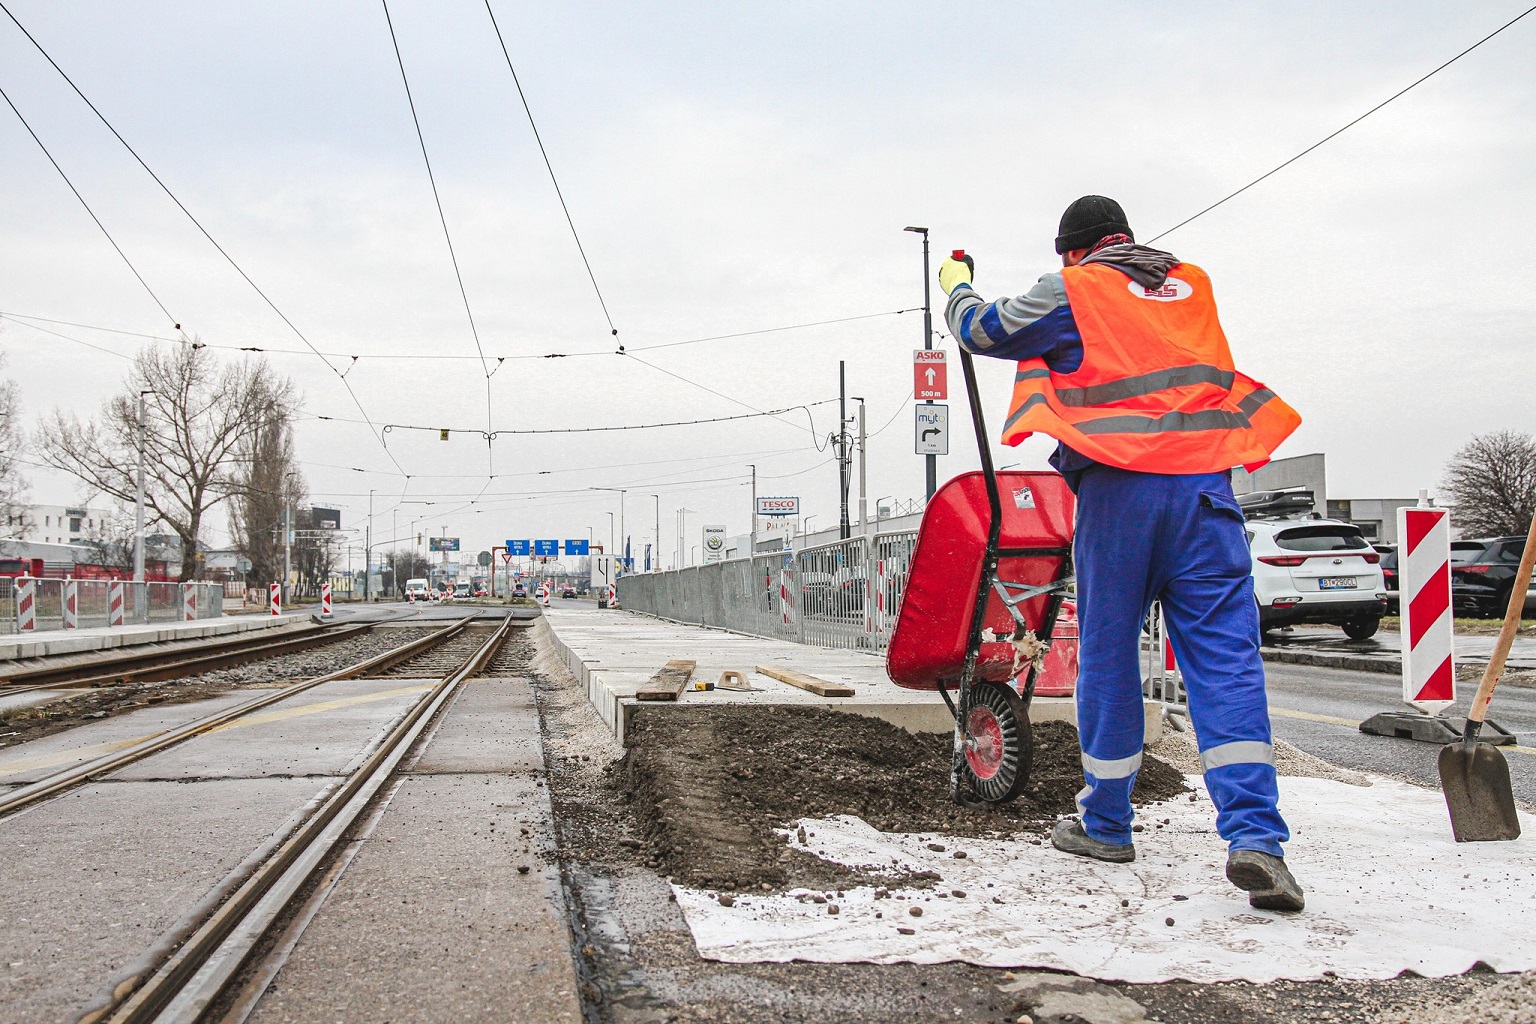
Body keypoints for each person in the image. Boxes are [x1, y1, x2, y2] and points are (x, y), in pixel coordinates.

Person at [939, 196, 1306, 912]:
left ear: (1071, 252)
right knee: (1226, 664)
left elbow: (984, 329)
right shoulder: (1188, 285)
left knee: (1107, 656)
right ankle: (1257, 839)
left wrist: (956, 280)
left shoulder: (1077, 286)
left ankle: (1106, 823)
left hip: (1121, 497)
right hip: (1206, 498)